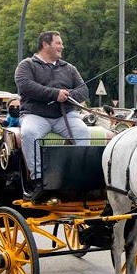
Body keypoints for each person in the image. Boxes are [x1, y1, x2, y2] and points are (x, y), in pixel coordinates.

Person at [14, 30, 90, 180]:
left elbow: (84, 90)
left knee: (83, 132)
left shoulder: (70, 68)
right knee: (29, 133)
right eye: (58, 43)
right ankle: (38, 178)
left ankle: (80, 176)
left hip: (65, 115)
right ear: (45, 44)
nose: (62, 47)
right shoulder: (26, 65)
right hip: (35, 115)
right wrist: (55, 94)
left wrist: (67, 96)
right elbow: (26, 86)